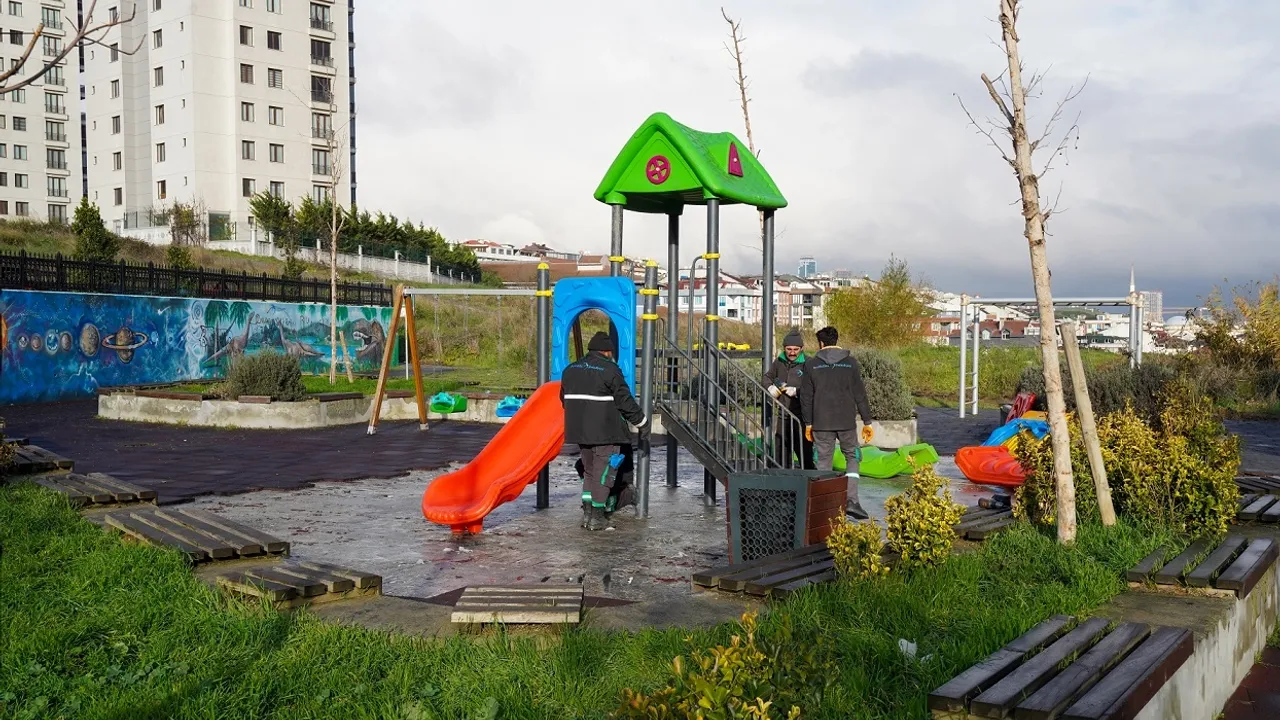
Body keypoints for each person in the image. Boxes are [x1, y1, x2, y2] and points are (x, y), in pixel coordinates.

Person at [561, 331, 649, 531]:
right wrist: (642, 423)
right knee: (604, 474)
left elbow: (564, 400)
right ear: (608, 351)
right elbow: (625, 401)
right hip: (605, 432)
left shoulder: (570, 370)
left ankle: (587, 514)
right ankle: (597, 517)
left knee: (589, 471)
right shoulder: (610, 370)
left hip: (580, 432)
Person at [799, 326, 875, 519]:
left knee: (823, 461)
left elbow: (806, 397)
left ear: (821, 343)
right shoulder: (850, 363)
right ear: (836, 340)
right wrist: (867, 421)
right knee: (852, 457)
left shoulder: (811, 365)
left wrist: (808, 423)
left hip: (821, 423)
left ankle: (824, 506)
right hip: (846, 422)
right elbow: (860, 393)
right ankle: (852, 501)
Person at [764, 329, 814, 469]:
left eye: (795, 349)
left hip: (802, 417)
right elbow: (767, 377)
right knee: (781, 453)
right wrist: (769, 387)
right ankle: (782, 478)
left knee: (805, 453)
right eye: (789, 349)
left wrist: (797, 391)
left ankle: (808, 477)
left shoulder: (809, 363)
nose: (792, 353)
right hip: (783, 415)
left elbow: (815, 387)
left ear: (802, 348)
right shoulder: (779, 362)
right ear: (784, 348)